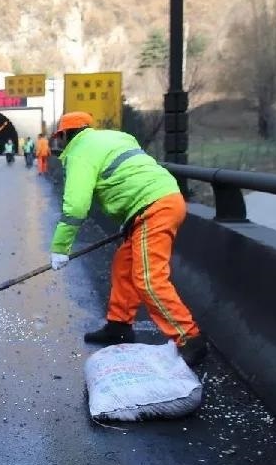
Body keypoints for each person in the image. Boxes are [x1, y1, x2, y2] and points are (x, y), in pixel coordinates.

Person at [48, 111, 208, 367]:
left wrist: (60, 247)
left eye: (62, 138)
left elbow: (76, 207)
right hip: (158, 201)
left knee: (149, 278)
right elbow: (128, 177)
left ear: (66, 136)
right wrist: (129, 220)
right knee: (124, 265)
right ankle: (118, 326)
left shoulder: (79, 152)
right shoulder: (115, 138)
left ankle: (189, 338)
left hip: (153, 207)